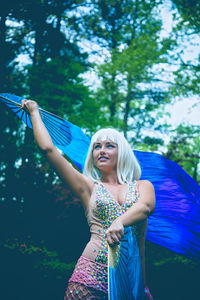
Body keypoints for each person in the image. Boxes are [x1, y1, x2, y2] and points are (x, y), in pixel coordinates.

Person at [21, 99, 155, 300]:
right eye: (97, 147)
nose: (102, 150)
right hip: (90, 275)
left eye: (109, 146)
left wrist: (143, 286)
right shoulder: (88, 187)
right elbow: (49, 150)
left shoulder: (143, 186)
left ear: (123, 153)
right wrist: (34, 113)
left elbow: (145, 211)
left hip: (128, 279)